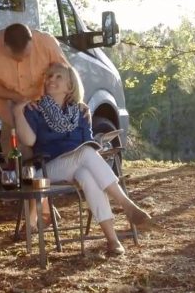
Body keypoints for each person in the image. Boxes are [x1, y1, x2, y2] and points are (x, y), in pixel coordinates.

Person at [13, 62, 152, 257]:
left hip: (77, 166)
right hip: (47, 169)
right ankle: (126, 204)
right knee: (86, 154)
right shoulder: (35, 110)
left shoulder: (80, 112)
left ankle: (112, 240)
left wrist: (99, 142)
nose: (51, 80)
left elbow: (89, 143)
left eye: (58, 77)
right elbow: (29, 141)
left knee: (87, 175)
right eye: (49, 76)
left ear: (70, 86)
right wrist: (18, 112)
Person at [0, 23, 67, 154]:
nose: (21, 60)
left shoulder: (47, 42)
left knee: (51, 155)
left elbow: (67, 76)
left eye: (27, 55)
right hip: (11, 112)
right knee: (16, 156)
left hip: (46, 111)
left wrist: (76, 104)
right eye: (15, 57)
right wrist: (17, 97)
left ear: (32, 40)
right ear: (5, 47)